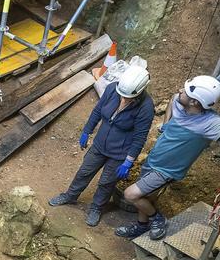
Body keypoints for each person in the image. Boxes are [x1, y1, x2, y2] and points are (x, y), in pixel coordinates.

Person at [116, 75, 220, 241]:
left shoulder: (211, 123)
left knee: (131, 195)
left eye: (185, 91)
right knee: (146, 196)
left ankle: (157, 219)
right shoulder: (179, 101)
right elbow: (172, 100)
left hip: (167, 170)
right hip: (153, 159)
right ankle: (142, 226)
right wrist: (166, 122)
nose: (179, 91)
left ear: (195, 102)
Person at [49, 65, 154, 227]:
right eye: (122, 95)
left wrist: (128, 161)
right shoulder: (113, 89)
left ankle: (96, 208)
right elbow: (98, 111)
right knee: (84, 171)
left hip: (119, 153)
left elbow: (140, 137)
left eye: (128, 98)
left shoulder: (146, 107)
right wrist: (87, 130)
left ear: (139, 92)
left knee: (106, 183)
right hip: (99, 145)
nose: (123, 99)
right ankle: (70, 195)